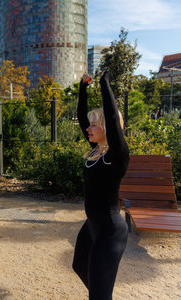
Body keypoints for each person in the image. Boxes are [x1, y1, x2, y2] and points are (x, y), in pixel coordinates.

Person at [72, 71, 129, 299]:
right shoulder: (97, 151)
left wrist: (105, 83)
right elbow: (80, 115)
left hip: (110, 231)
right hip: (92, 225)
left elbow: (114, 120)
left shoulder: (117, 154)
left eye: (94, 125)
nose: (88, 128)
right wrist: (83, 87)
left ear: (106, 127)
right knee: (79, 266)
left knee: (99, 294)